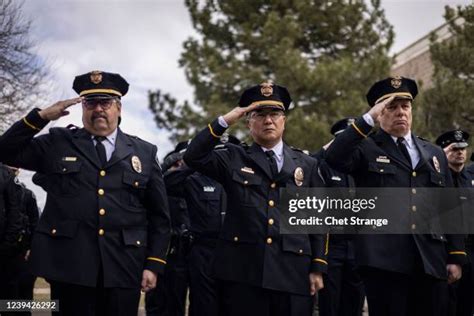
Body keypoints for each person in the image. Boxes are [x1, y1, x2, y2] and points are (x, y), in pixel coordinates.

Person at [0, 70, 171, 316]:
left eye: (106, 102)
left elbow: (159, 216)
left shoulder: (143, 152)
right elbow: (5, 151)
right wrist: (41, 117)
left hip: (124, 266)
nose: (99, 108)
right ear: (83, 108)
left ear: (119, 108)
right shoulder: (57, 143)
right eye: (91, 102)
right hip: (70, 267)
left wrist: (154, 264)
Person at [325, 76, 467, 316]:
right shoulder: (365, 147)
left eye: (405, 106)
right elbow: (334, 157)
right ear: (380, 113)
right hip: (384, 261)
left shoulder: (432, 152)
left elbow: (448, 205)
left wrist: (456, 255)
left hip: (429, 259)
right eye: (392, 107)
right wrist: (367, 119)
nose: (401, 112)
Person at [183, 81, 328, 316]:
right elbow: (193, 156)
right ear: (248, 122)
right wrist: (227, 119)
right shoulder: (233, 157)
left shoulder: (307, 164)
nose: (268, 120)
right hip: (244, 273)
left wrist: (318, 266)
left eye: (275, 114)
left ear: (284, 120)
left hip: (293, 271)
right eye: (259, 114)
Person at [313, 118, 364, 316]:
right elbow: (310, 162)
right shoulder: (324, 165)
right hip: (332, 245)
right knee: (330, 305)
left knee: (355, 303)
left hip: (358, 245)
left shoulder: (362, 165)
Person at [146, 142, 190, 316]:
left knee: (177, 304)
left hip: (187, 253)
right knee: (158, 304)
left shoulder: (194, 185)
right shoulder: (165, 182)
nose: (180, 167)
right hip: (164, 252)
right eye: (177, 164)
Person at [436, 130, 474, 316]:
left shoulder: (468, 179)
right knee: (446, 303)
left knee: (467, 303)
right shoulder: (439, 179)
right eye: (454, 149)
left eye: (462, 149)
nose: (460, 152)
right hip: (445, 251)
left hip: (470, 249)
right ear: (443, 152)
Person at [0, 163, 23, 307]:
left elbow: (15, 215)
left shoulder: (6, 175)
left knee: (10, 299)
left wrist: (7, 245)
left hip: (5, 249)